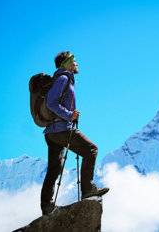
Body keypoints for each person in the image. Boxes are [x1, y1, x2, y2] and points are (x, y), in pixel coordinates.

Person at [40, 51, 109, 215]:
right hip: (62, 129)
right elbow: (51, 103)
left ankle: (47, 206)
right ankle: (87, 189)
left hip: (52, 132)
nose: (76, 63)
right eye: (74, 60)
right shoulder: (63, 78)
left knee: (54, 169)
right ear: (66, 63)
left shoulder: (61, 79)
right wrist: (69, 115)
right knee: (91, 149)